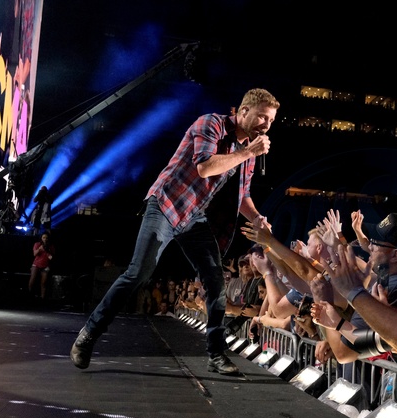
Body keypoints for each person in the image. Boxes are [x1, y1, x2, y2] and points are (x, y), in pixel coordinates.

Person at [70, 88, 280, 376]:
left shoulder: (249, 154)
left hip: (195, 216)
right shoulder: (211, 124)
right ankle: (89, 334)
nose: (266, 125)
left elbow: (243, 196)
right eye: (262, 117)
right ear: (243, 111)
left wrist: (257, 218)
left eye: (271, 121)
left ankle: (216, 354)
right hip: (167, 204)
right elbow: (205, 167)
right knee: (138, 273)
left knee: (215, 281)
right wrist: (247, 152)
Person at [28, 231, 54, 300]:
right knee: (32, 280)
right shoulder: (37, 244)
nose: (45, 239)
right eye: (44, 237)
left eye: (46, 238)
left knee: (44, 283)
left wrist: (49, 254)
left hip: (45, 266)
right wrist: (40, 249)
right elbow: (34, 254)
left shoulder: (51, 246)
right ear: (41, 238)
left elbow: (52, 256)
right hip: (36, 264)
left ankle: (43, 299)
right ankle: (29, 295)